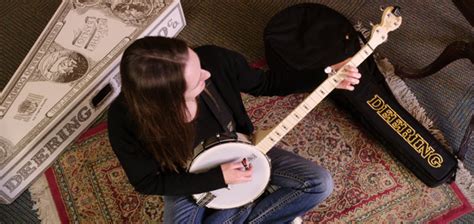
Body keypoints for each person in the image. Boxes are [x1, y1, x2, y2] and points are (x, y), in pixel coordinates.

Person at [107, 36, 361, 223]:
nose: (207, 74)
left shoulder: (214, 60)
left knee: (320, 184)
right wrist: (218, 179)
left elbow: (266, 82)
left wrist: (327, 74)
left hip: (241, 149)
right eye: (198, 81)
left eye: (197, 63)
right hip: (184, 178)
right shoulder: (124, 120)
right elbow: (147, 182)